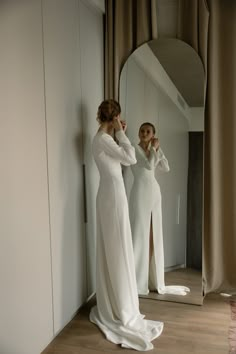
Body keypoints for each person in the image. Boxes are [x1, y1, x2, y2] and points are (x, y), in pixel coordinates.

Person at [89, 101, 163, 351]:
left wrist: (119, 133)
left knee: (117, 248)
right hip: (112, 197)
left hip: (111, 195)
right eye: (118, 118)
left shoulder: (102, 139)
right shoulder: (105, 140)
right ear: (115, 117)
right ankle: (120, 306)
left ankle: (117, 300)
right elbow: (131, 158)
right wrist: (122, 133)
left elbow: (124, 158)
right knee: (118, 249)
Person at [129, 122, 190, 296]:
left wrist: (157, 150)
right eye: (142, 130)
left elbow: (166, 167)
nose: (144, 133)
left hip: (154, 193)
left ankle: (151, 279)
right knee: (139, 233)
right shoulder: (134, 148)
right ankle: (137, 280)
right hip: (140, 192)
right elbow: (148, 165)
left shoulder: (154, 149)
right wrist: (153, 149)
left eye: (148, 131)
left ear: (153, 134)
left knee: (152, 236)